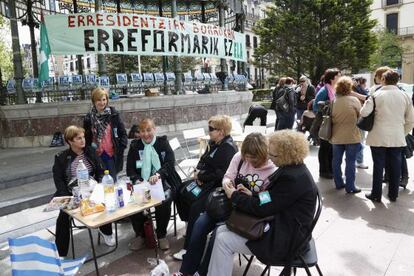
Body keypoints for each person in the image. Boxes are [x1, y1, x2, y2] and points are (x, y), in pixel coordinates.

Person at [207, 130, 317, 276]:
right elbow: (273, 198)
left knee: (223, 240)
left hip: (286, 239)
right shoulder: (293, 170)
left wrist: (234, 195)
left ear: (286, 155)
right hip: (284, 226)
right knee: (221, 230)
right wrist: (253, 194)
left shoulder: (293, 178)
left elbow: (263, 208)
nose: (270, 157)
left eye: (273, 155)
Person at [172, 133, 276, 276]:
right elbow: (227, 176)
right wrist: (229, 186)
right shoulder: (239, 157)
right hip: (227, 204)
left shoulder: (272, 168)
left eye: (254, 158)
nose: (250, 161)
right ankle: (186, 271)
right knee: (200, 224)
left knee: (217, 234)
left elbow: (269, 198)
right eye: (248, 156)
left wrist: (252, 195)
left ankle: (202, 273)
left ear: (264, 154)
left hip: (248, 213)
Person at [174, 115, 238, 262]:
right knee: (180, 191)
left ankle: (188, 248)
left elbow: (222, 174)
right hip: (204, 181)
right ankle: (189, 224)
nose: (208, 131)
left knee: (196, 208)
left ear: (221, 131)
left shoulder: (227, 148)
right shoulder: (214, 142)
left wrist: (202, 176)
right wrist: (198, 174)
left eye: (211, 129)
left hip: (216, 188)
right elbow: (203, 160)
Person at [53, 125, 114, 257]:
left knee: (105, 202)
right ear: (70, 141)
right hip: (71, 193)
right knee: (63, 217)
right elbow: (58, 180)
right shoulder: (61, 158)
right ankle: (61, 252)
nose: (83, 140)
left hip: (92, 190)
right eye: (78, 138)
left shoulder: (90, 152)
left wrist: (100, 185)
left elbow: (101, 170)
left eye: (83, 137)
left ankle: (106, 232)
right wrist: (67, 197)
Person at [362, 70, 414, 203]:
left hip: (378, 136)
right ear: (397, 80)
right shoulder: (405, 96)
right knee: (396, 165)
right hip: (397, 136)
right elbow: (410, 120)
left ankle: (376, 194)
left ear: (383, 79)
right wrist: (403, 133)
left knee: (378, 165)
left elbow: (364, 113)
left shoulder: (376, 95)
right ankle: (393, 194)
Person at [126, 118, 178, 250]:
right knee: (134, 201)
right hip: (141, 183)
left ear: (154, 129)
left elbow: (170, 164)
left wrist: (158, 174)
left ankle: (161, 235)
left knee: (165, 200)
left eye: (148, 130)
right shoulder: (135, 146)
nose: (146, 134)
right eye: (142, 131)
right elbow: (130, 169)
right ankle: (141, 235)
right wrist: (137, 179)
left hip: (162, 181)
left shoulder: (162, 143)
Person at [84, 87, 128, 181]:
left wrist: (121, 148)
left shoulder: (113, 114)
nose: (102, 102)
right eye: (99, 100)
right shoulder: (89, 118)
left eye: (104, 99)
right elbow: (86, 138)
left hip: (111, 155)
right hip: (96, 156)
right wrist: (89, 151)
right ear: (94, 101)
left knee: (112, 182)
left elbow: (123, 133)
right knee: (99, 183)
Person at [330, 76, 362, 193]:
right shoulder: (354, 101)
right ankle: (350, 187)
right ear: (350, 88)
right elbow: (361, 116)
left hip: (336, 136)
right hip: (352, 136)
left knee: (336, 161)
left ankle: (338, 183)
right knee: (350, 162)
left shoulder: (333, 102)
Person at [312, 68, 341, 179]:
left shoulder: (333, 89)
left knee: (330, 148)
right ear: (332, 78)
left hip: (332, 122)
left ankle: (330, 169)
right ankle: (324, 171)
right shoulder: (324, 90)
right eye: (338, 75)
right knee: (325, 148)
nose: (340, 77)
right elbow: (316, 107)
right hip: (325, 123)